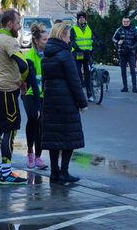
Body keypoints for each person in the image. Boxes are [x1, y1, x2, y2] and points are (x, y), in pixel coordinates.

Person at [0, 9, 35, 184]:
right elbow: (24, 65)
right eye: (18, 23)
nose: (19, 26)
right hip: (7, 92)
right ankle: (6, 173)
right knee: (10, 130)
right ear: (9, 24)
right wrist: (22, 81)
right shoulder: (9, 41)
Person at [42, 22, 88, 184]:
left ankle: (54, 173)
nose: (70, 40)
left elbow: (44, 79)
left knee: (54, 138)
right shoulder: (65, 54)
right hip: (66, 100)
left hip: (50, 100)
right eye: (68, 36)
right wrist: (82, 102)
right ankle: (64, 172)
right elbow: (74, 80)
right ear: (62, 36)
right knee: (69, 137)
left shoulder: (47, 54)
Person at [21, 23, 49, 170]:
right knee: (33, 118)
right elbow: (32, 82)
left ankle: (38, 156)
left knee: (41, 124)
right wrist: (38, 106)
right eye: (44, 39)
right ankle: (30, 152)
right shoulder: (30, 56)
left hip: (44, 94)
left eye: (47, 39)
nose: (47, 42)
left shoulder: (48, 55)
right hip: (31, 94)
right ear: (37, 41)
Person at [112, 15, 137, 93]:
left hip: (131, 52)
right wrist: (117, 42)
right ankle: (125, 87)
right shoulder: (119, 30)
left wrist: (133, 47)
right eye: (124, 21)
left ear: (129, 22)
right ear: (122, 22)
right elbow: (113, 38)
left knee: (132, 69)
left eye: (127, 21)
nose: (125, 23)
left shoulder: (133, 29)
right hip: (122, 52)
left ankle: (134, 87)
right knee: (123, 70)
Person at [70, 11, 94, 99]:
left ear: (85, 19)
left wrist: (95, 46)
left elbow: (92, 39)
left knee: (88, 74)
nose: (82, 19)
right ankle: (80, 94)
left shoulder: (89, 28)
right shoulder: (74, 28)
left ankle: (89, 94)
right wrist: (78, 48)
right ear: (77, 19)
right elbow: (72, 41)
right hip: (78, 53)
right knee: (78, 74)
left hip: (87, 53)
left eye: (83, 17)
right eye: (80, 18)